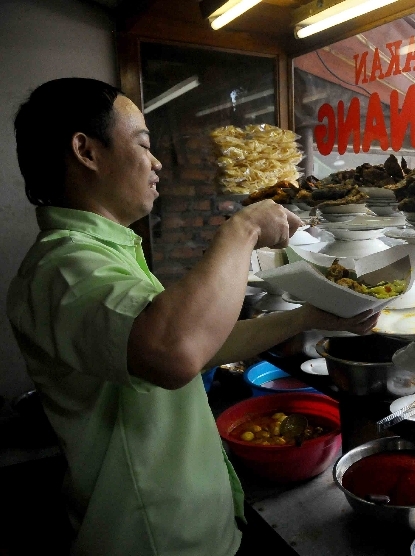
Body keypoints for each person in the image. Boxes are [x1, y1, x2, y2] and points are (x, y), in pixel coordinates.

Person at [6, 77, 379, 556]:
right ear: (86, 150)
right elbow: (174, 353)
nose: (157, 161)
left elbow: (200, 346)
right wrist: (242, 229)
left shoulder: (105, 253)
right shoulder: (64, 268)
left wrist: (306, 316)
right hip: (152, 538)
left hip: (192, 528)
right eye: (142, 144)